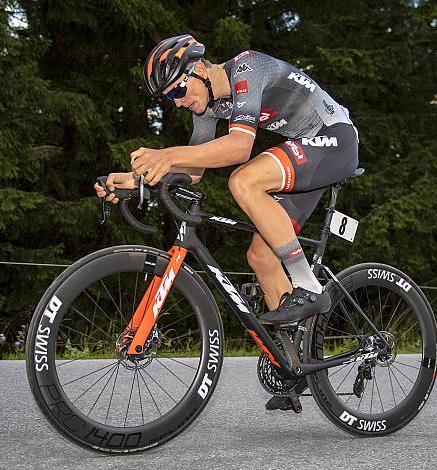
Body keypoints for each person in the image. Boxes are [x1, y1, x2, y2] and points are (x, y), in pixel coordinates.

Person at [95, 34, 359, 409]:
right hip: (308, 154)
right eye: (171, 98)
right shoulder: (205, 107)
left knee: (244, 179)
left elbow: (238, 149)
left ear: (200, 68)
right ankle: (293, 368)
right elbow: (197, 168)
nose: (180, 101)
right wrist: (132, 180)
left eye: (180, 89)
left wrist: (166, 154)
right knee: (262, 257)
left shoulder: (248, 68)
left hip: (335, 140)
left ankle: (309, 286)